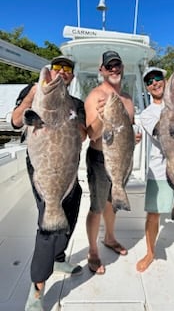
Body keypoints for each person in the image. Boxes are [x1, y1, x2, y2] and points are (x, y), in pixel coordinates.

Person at [11, 55, 87, 310]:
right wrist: (34, 94)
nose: (62, 72)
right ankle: (37, 290)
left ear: (72, 76)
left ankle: (58, 258)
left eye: (67, 69)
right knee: (47, 227)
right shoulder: (34, 92)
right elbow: (15, 121)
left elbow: (83, 134)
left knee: (71, 214)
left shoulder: (76, 103)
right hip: (43, 169)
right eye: (57, 67)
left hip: (68, 170)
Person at [136, 67, 174, 282]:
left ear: (165, 81)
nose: (155, 83)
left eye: (158, 78)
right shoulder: (146, 114)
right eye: (150, 81)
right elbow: (162, 134)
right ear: (147, 88)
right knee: (153, 215)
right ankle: (151, 252)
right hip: (159, 170)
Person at [84, 50, 141, 275]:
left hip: (122, 157)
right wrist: (100, 117)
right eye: (109, 66)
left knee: (112, 201)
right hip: (99, 159)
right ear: (102, 71)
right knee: (97, 207)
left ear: (122, 68)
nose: (114, 69)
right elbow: (91, 134)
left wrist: (133, 137)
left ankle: (109, 238)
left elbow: (127, 129)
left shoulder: (127, 99)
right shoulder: (95, 96)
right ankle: (92, 251)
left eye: (117, 65)